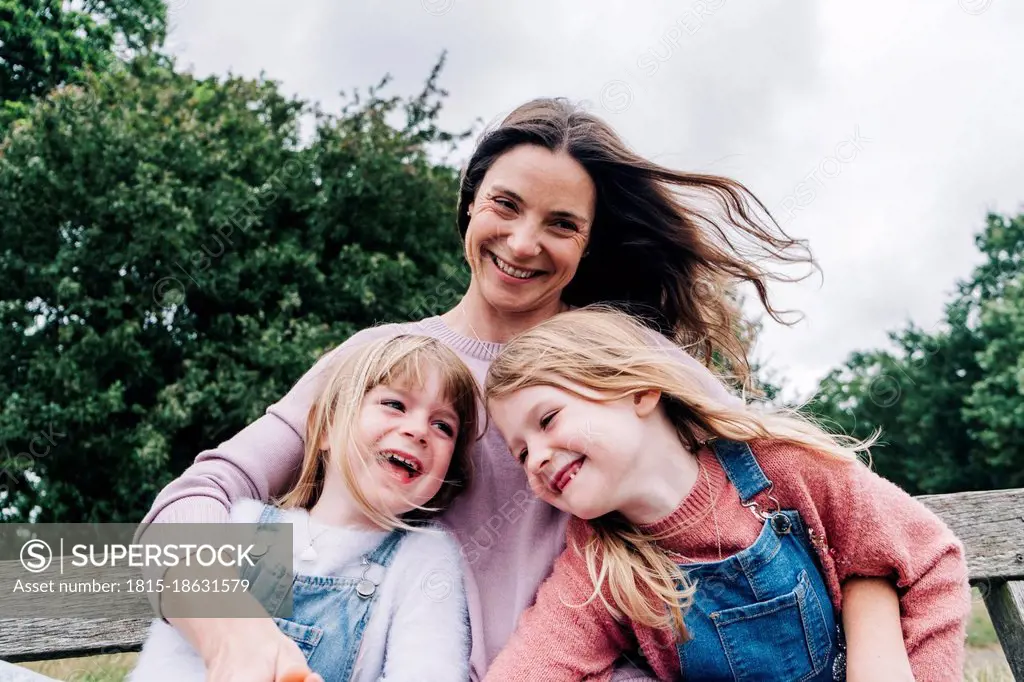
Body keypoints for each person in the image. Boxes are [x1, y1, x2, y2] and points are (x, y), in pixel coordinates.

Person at [137, 97, 914, 682]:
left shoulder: (622, 357)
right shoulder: (382, 364)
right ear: (470, 200)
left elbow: (813, 508)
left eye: (561, 224)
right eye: (505, 204)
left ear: (586, 243)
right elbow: (203, 498)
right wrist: (231, 626)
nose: (522, 241)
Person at [481, 307, 971, 681]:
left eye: (547, 420)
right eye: (521, 453)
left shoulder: (781, 467)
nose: (537, 459)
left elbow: (929, 560)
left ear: (638, 391)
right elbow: (529, 669)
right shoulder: (597, 561)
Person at [130, 334, 479, 682]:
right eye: (395, 404)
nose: (419, 431)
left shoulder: (425, 560)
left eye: (443, 426)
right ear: (324, 428)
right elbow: (168, 663)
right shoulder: (239, 525)